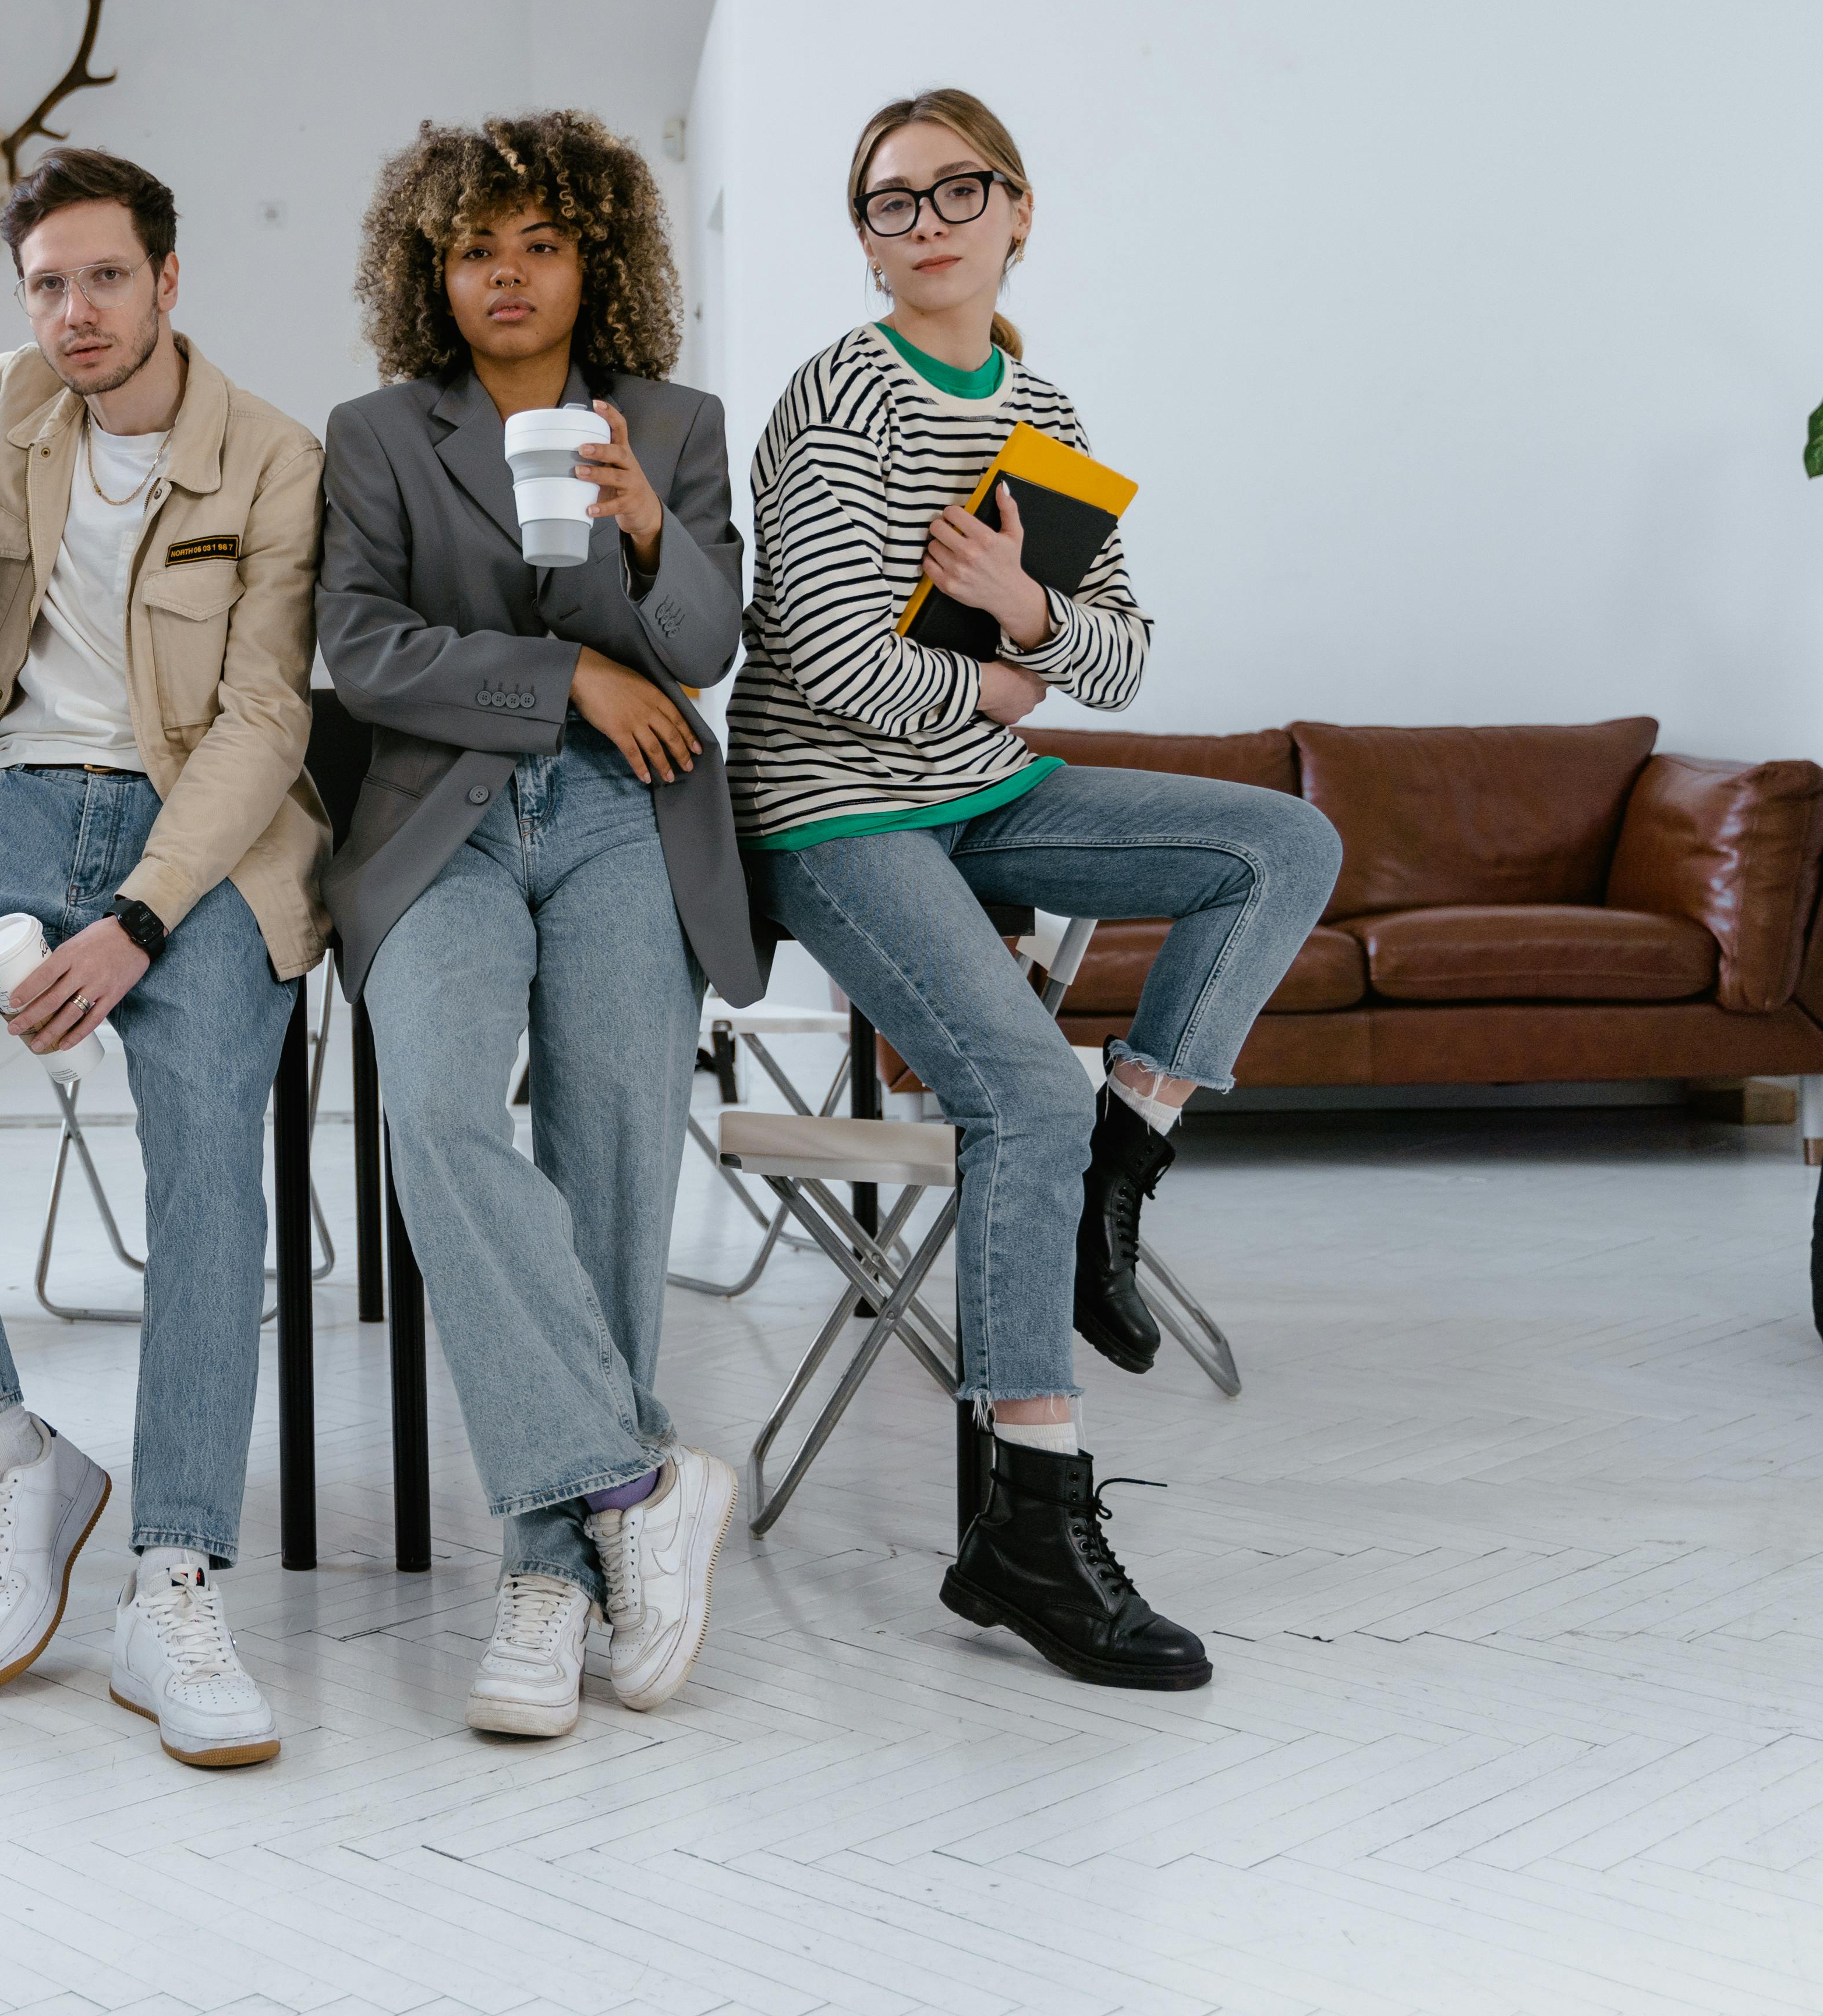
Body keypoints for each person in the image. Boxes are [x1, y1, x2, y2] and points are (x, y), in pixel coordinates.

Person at [729, 89, 1340, 1691]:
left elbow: (1126, 651)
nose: (924, 223)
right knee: (1020, 1103)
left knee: (1285, 845)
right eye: (888, 203)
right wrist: (1011, 671)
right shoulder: (838, 398)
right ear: (864, 244)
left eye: (955, 190)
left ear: (1018, 210)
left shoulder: (1041, 412)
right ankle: (1032, 1521)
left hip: (981, 799)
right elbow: (824, 660)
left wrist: (1026, 617)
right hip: (834, 815)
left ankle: (1129, 1157)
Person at [0, 148, 328, 1770]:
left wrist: (142, 919)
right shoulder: (6, 402)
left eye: (105, 278)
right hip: (10, 806)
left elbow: (264, 716)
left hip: (201, 830)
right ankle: (7, 1453)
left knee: (211, 1144)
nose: (77, 313)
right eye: (45, 285)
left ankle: (173, 1575)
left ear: (170, 281)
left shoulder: (275, 457)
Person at [318, 110, 758, 1742]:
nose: (504, 275)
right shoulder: (378, 434)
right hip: (441, 820)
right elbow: (362, 650)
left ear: (598, 261)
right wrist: (565, 669)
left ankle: (547, 1570)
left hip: (627, 817)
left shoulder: (676, 422)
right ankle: (630, 1489)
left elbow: (706, 644)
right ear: (431, 266)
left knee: (618, 1153)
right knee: (436, 1120)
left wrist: (649, 523)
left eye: (539, 244)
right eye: (474, 247)